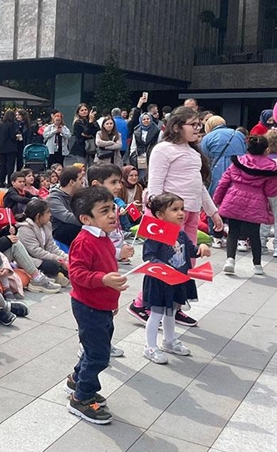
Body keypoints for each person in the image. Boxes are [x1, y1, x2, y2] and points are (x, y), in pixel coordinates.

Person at [132, 107, 224, 326]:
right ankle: (141, 303)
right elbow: (154, 183)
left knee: (186, 262)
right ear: (176, 126)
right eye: (193, 125)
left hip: (189, 214)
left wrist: (213, 212)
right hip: (168, 216)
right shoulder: (163, 149)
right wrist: (157, 216)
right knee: (165, 264)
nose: (198, 128)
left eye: (199, 125)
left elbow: (199, 187)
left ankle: (175, 306)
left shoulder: (193, 153)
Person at [65, 186, 128, 425]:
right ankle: (81, 398)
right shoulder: (84, 241)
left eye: (112, 208)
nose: (113, 214)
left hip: (102, 305)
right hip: (88, 306)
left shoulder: (103, 237)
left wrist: (111, 298)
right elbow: (77, 274)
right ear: (86, 218)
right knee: (99, 355)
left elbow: (106, 267)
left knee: (94, 348)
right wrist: (103, 280)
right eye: (105, 211)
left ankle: (76, 379)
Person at [140, 193, 209, 364]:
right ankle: (150, 346)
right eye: (175, 209)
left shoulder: (181, 233)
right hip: (158, 281)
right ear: (160, 215)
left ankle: (169, 341)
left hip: (176, 280)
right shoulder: (156, 234)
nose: (181, 213)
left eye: (182, 209)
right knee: (156, 314)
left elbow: (190, 251)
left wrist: (201, 248)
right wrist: (163, 267)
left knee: (171, 313)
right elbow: (148, 256)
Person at [213, 135, 277, 275]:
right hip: (257, 201)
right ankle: (257, 265)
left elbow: (223, 182)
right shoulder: (271, 167)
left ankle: (230, 260)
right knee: (254, 233)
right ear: (266, 150)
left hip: (234, 199)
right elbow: (271, 191)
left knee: (233, 231)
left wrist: (217, 201)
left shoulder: (238, 161)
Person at [16, 199, 70, 286]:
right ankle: (48, 278)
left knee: (68, 263)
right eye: (48, 212)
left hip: (44, 257)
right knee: (52, 267)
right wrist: (57, 259)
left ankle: (58, 276)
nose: (50, 215)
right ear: (38, 215)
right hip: (31, 259)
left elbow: (51, 246)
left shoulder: (46, 225)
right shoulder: (25, 229)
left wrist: (65, 257)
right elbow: (35, 251)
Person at [200, 115, 247, 198]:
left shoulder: (207, 137)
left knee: (217, 193)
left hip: (218, 167)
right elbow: (245, 150)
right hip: (240, 166)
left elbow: (204, 158)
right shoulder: (238, 134)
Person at [49, 166, 85, 246]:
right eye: (80, 179)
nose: (82, 181)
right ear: (72, 182)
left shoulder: (79, 194)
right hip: (59, 230)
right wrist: (88, 221)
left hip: (76, 224)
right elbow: (66, 216)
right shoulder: (53, 197)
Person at [130, 112, 161, 181]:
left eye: (148, 119)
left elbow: (160, 144)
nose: (146, 121)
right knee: (141, 175)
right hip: (140, 156)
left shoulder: (158, 131)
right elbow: (133, 145)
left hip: (152, 155)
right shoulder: (136, 131)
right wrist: (133, 155)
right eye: (144, 119)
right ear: (141, 121)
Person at [0, 110, 19, 187]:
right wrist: (17, 136)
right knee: (10, 165)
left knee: (2, 165)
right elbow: (12, 136)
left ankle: (1, 182)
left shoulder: (0, 124)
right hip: (10, 147)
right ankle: (9, 182)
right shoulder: (12, 124)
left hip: (1, 147)